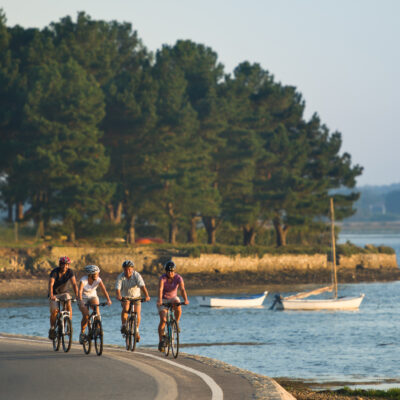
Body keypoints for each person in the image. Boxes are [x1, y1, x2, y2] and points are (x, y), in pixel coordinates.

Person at [157, 260, 189, 352]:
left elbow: (182, 289)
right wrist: (159, 300)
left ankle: (176, 323)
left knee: (178, 305)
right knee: (163, 320)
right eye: (168, 271)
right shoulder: (162, 278)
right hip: (163, 299)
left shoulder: (178, 278)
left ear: (174, 271)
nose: (170, 273)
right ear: (166, 271)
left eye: (172, 271)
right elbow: (160, 289)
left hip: (173, 298)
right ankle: (161, 341)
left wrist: (186, 299)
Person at [115, 260, 150, 342]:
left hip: (136, 297)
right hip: (125, 297)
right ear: (123, 269)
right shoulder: (120, 276)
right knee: (126, 308)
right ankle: (124, 325)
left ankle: (136, 330)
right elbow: (118, 288)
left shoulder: (137, 275)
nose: (128, 271)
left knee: (137, 313)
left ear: (132, 269)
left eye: (129, 269)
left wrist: (147, 296)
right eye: (126, 269)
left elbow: (142, 286)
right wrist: (118, 295)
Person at [78, 264, 112, 344]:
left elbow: (104, 290)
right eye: (96, 274)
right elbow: (79, 291)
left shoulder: (98, 280)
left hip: (93, 296)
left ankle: (98, 329)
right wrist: (81, 301)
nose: (98, 275)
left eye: (98, 273)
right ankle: (82, 333)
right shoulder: (83, 280)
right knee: (86, 316)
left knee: (97, 311)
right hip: (83, 298)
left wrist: (108, 299)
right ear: (90, 274)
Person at [48, 256, 79, 340]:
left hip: (64, 293)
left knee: (68, 302)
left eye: (67, 265)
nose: (65, 267)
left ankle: (68, 323)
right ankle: (52, 328)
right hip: (54, 294)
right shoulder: (55, 272)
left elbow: (74, 284)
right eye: (63, 265)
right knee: (55, 311)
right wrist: (51, 295)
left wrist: (77, 295)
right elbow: (51, 284)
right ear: (60, 265)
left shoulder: (70, 272)